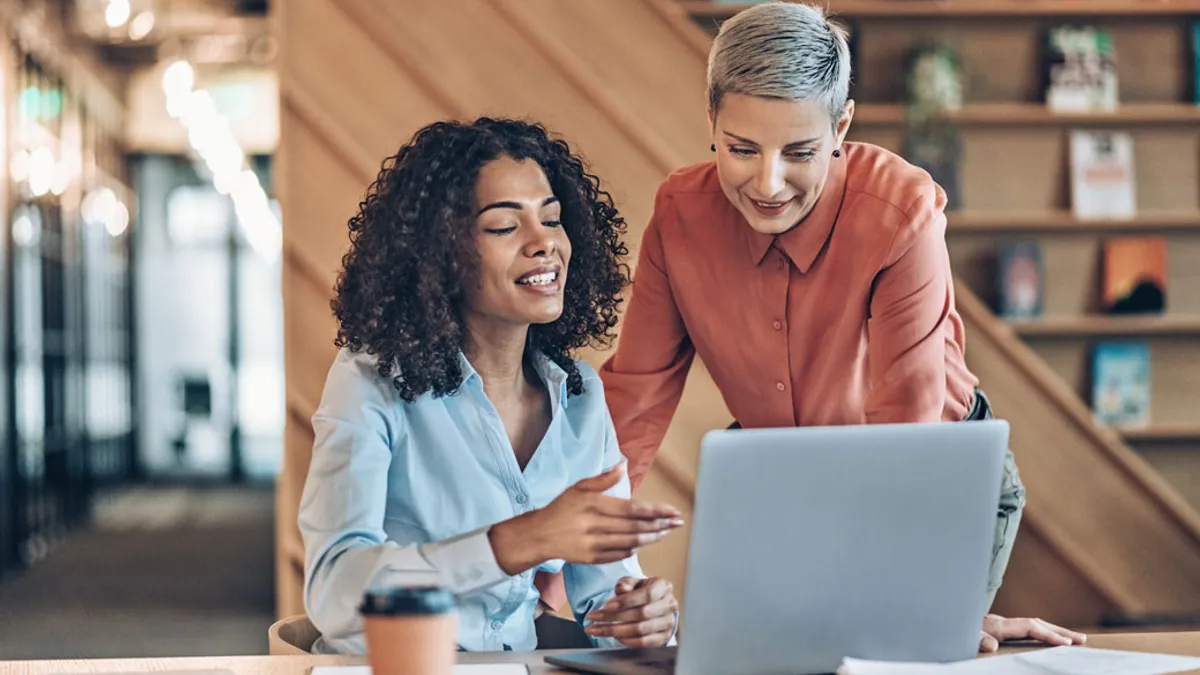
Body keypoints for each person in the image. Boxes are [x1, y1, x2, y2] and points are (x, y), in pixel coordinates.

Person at [596, 1, 1087, 653]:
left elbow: (905, 429)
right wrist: (561, 574)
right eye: (741, 148)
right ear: (711, 120)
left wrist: (911, 606)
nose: (767, 183)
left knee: (888, 655)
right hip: (781, 481)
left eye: (799, 151)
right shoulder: (680, 215)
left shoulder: (898, 211)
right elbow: (633, 402)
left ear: (841, 125)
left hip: (930, 482)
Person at [299, 118, 682, 654]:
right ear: (439, 255)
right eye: (504, 227)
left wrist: (643, 616)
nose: (543, 242)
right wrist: (519, 541)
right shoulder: (370, 382)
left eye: (552, 219)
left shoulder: (579, 398)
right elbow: (335, 590)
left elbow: (603, 600)